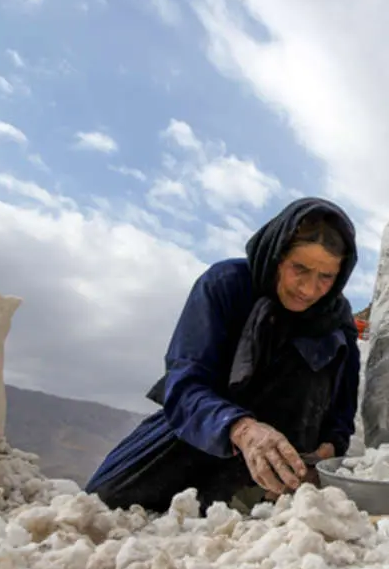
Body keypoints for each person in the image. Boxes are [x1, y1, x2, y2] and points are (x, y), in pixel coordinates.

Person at [86, 197, 361, 513]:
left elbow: (342, 409)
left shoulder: (336, 319)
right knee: (98, 503)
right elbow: (185, 385)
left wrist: (327, 451)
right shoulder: (225, 285)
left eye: (325, 277)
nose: (309, 290)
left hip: (284, 460)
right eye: (299, 268)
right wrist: (243, 430)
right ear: (276, 256)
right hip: (201, 436)